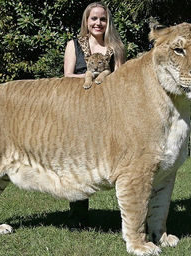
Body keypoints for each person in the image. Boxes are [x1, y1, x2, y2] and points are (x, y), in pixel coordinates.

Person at [63, 2, 125, 226]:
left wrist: (105, 77)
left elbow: (121, 80)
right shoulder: (74, 45)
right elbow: (67, 76)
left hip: (106, 110)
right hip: (77, 109)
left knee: (112, 158)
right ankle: (77, 215)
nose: (98, 23)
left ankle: (126, 213)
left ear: (108, 22)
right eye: (94, 19)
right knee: (78, 159)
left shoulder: (116, 47)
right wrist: (89, 76)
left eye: (103, 19)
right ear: (86, 21)